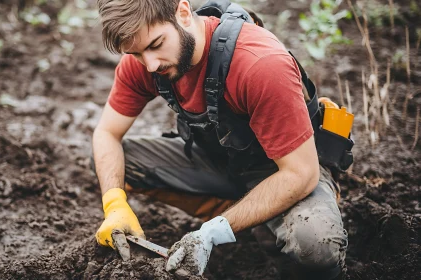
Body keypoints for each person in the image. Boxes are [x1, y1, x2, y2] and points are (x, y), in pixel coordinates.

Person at [92, 0, 348, 279]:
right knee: (112, 162)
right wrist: (114, 204)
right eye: (136, 53)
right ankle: (253, 219)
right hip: (220, 160)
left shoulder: (259, 64)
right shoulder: (144, 61)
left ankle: (263, 218)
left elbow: (302, 173)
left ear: (183, 13)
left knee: (315, 244)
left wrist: (215, 230)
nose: (150, 65)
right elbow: (106, 133)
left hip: (284, 168)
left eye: (156, 45)